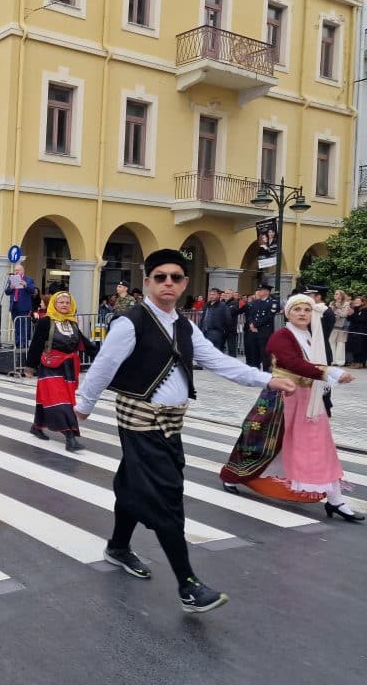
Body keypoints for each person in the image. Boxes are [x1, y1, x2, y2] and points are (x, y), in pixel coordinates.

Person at [75, 249, 296, 614]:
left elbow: (218, 361)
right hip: (140, 421)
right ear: (147, 281)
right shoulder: (130, 323)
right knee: (167, 496)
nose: (168, 283)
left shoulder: (184, 325)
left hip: (171, 424)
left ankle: (117, 546)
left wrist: (267, 379)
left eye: (175, 277)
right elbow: (103, 367)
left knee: (132, 483)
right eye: (160, 277)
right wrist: (82, 406)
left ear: (184, 283)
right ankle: (188, 584)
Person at [220, 294, 360, 520]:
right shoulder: (280, 336)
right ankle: (233, 475)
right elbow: (294, 363)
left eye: (307, 309)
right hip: (281, 396)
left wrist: (329, 372)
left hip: (309, 399)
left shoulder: (312, 337)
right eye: (297, 309)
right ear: (288, 313)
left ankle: (335, 499)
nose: (303, 313)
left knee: (320, 445)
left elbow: (315, 362)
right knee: (259, 442)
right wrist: (330, 372)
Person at [24, 291, 98, 451]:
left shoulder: (73, 324)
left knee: (51, 399)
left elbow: (84, 344)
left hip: (68, 368)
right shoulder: (46, 322)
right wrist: (30, 367)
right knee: (62, 402)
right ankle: (70, 437)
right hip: (50, 366)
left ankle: (37, 426)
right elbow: (36, 344)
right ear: (54, 304)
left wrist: (103, 356)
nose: (65, 305)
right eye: (61, 302)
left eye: (67, 302)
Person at [4, 263, 37, 348]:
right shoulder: (11, 280)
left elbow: (33, 290)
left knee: (24, 326)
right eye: (15, 270)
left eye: (17, 270)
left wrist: (25, 285)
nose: (15, 272)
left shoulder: (29, 280)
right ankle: (17, 343)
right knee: (16, 326)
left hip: (24, 307)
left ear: (22, 271)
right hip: (14, 306)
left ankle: (23, 343)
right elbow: (7, 292)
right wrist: (11, 287)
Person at [328, 289, 352, 367]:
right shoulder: (332, 303)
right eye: (335, 293)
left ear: (341, 295)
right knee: (331, 342)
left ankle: (340, 361)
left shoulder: (346, 303)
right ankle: (333, 360)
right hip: (332, 325)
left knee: (341, 343)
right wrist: (334, 311)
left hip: (342, 326)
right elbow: (329, 313)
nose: (335, 295)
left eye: (337, 294)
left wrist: (336, 310)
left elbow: (345, 314)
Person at [346, 295, 367, 369]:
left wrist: (353, 314)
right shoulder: (354, 309)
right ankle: (355, 362)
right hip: (353, 330)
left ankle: (359, 363)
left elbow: (362, 320)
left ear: (362, 302)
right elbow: (349, 319)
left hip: (361, 331)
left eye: (358, 301)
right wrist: (349, 314)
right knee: (354, 347)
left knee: (360, 348)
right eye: (355, 301)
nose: (356, 302)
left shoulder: (365, 310)